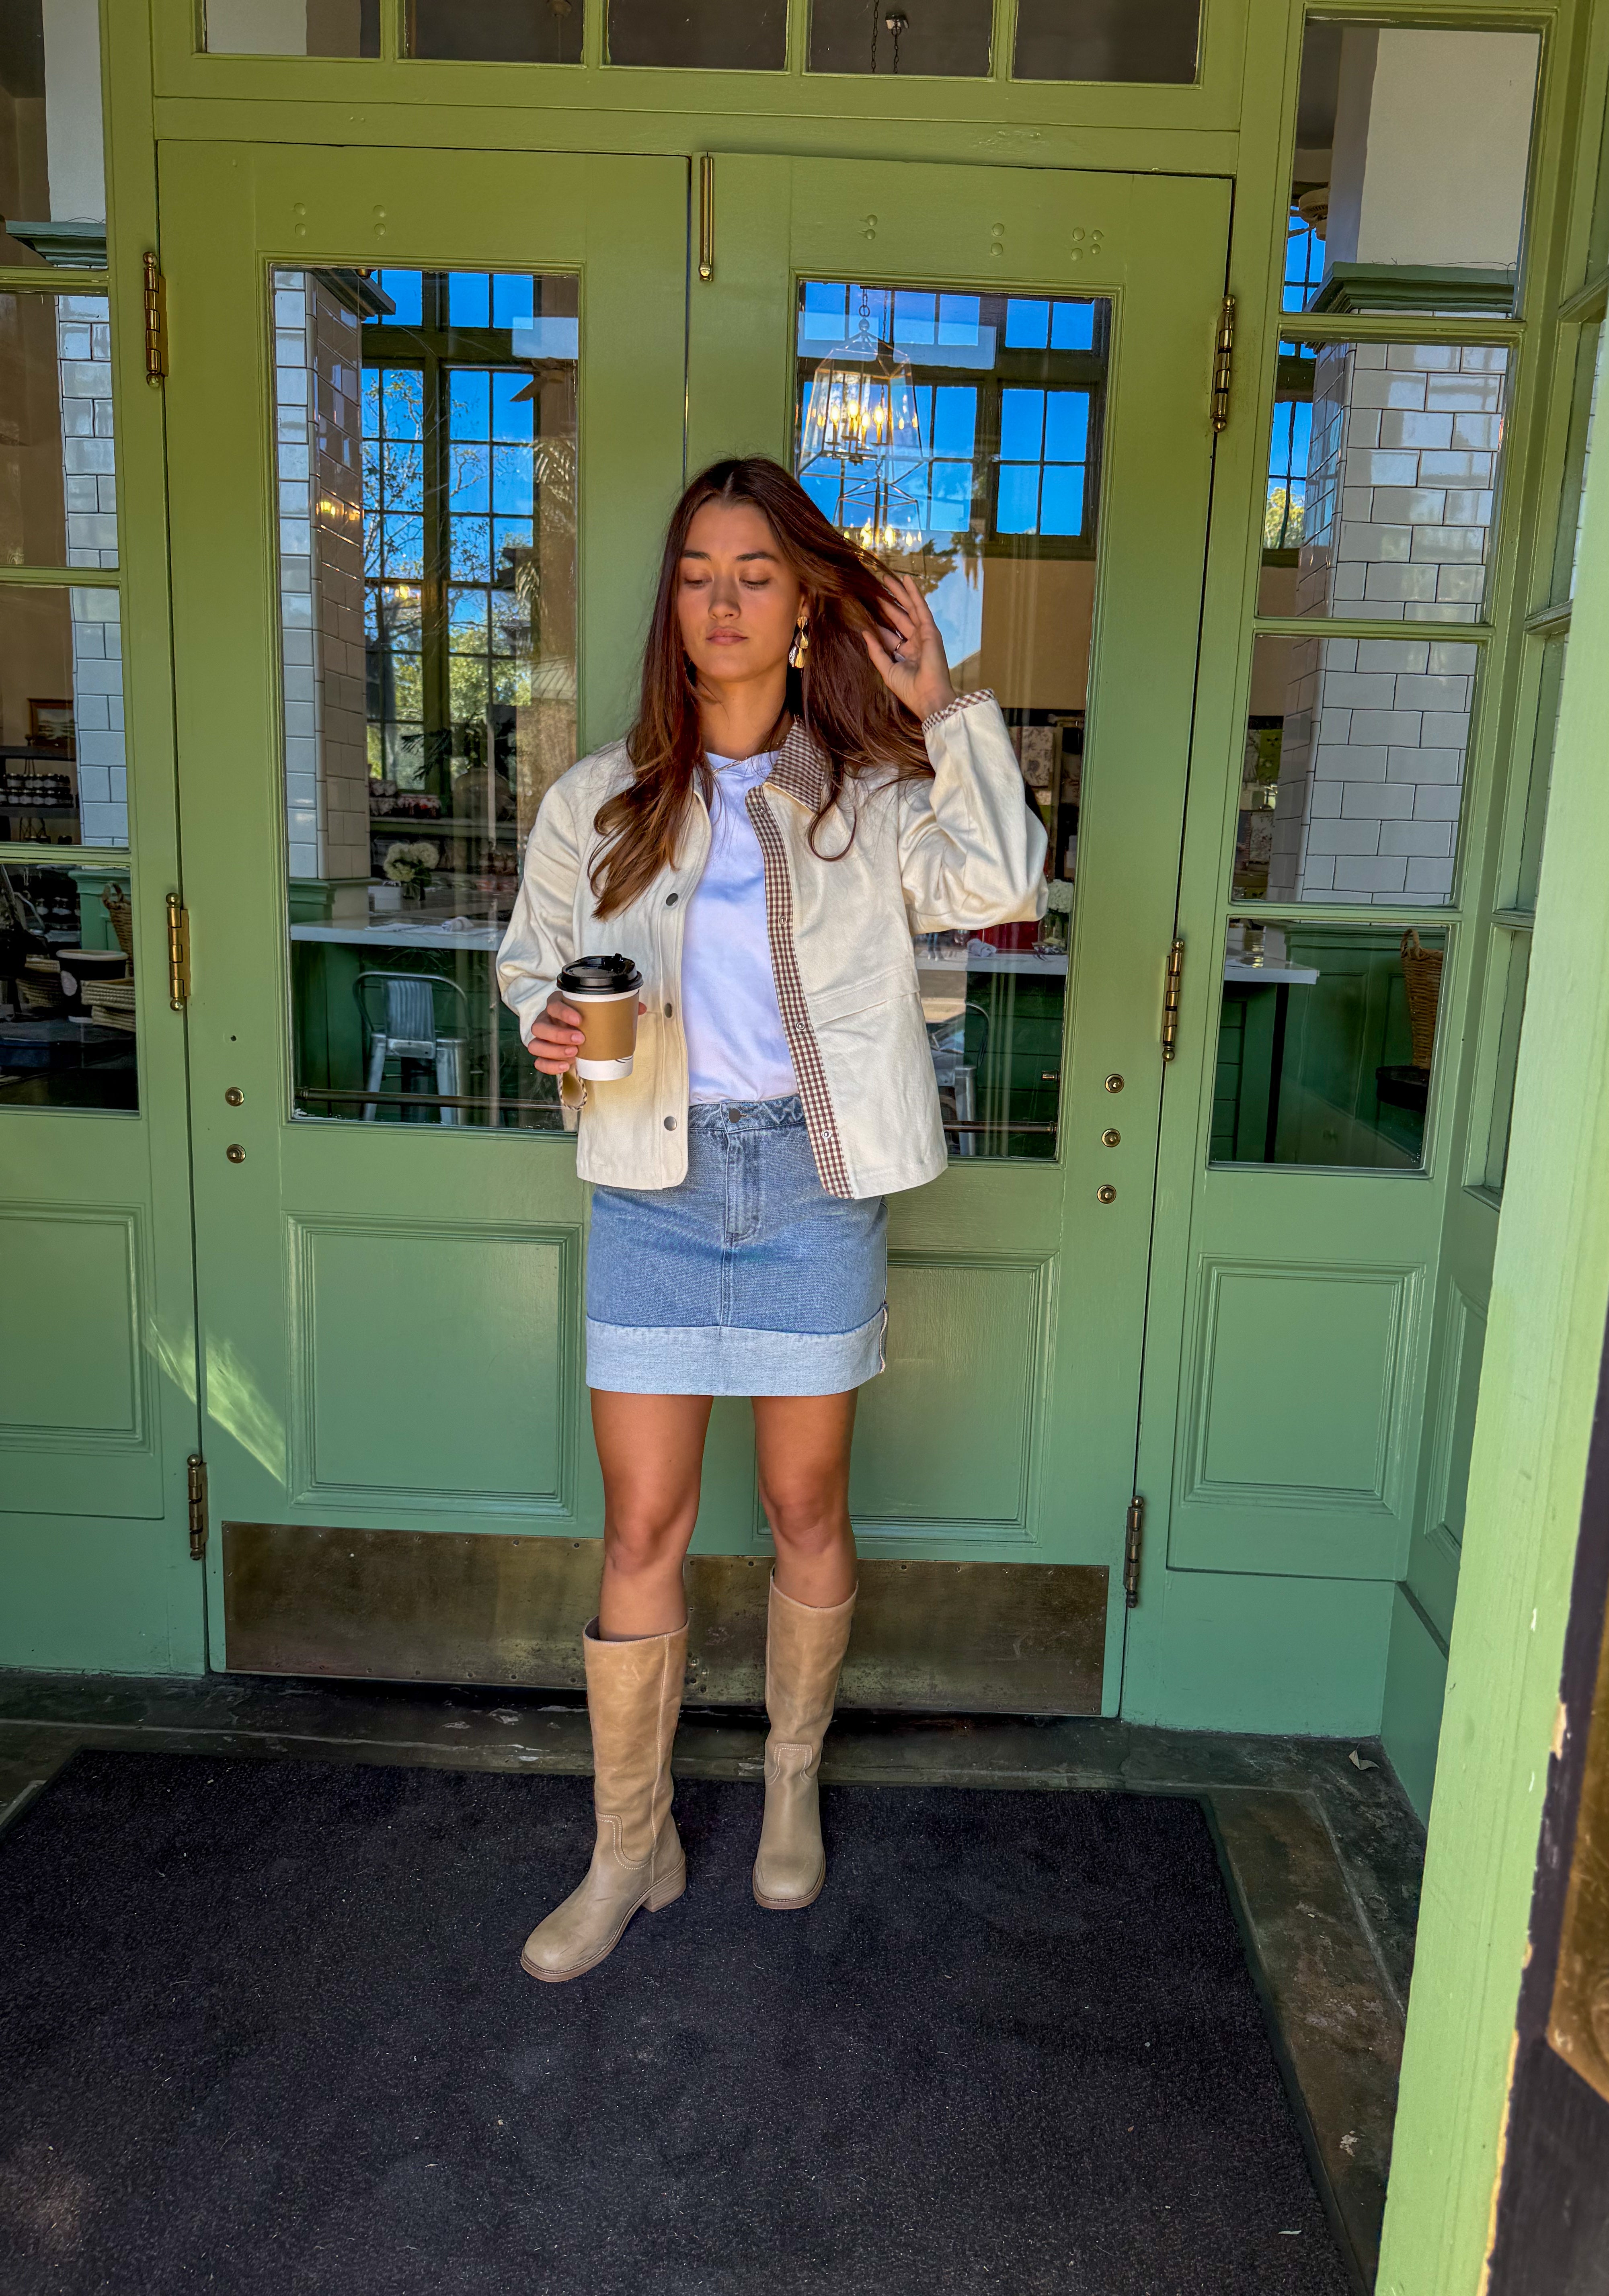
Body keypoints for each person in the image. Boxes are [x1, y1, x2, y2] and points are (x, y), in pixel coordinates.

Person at [497, 456, 1046, 1982]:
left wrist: (945, 700)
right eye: (696, 574)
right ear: (671, 607)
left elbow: (1006, 881)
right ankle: (631, 1844)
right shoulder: (597, 798)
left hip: (808, 1182)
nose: (722, 601)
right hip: (656, 1187)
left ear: (805, 605)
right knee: (643, 1525)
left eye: (754, 573)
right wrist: (545, 1019)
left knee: (804, 1507)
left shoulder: (869, 799)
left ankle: (792, 1779)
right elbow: (529, 962)